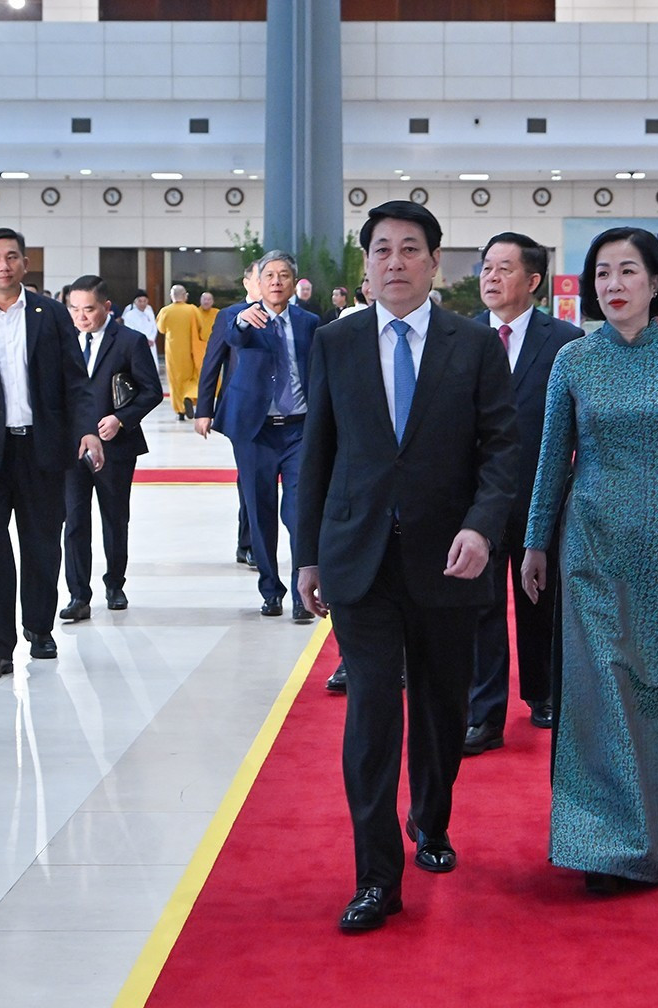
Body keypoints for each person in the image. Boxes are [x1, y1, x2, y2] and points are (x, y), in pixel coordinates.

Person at [294, 200, 519, 934]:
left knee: (442, 705)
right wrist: (307, 554)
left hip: (450, 558)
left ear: (434, 262)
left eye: (410, 249)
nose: (395, 261)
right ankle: (376, 877)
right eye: (382, 249)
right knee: (370, 711)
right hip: (358, 556)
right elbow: (318, 452)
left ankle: (432, 817)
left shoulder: (473, 344)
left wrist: (482, 528)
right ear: (367, 265)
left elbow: (502, 450)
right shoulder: (335, 341)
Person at [518, 227, 658, 892]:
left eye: (627, 271)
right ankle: (608, 841)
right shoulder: (574, 361)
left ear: (654, 282)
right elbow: (552, 459)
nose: (613, 285)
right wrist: (535, 541)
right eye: (602, 273)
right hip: (590, 543)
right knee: (602, 688)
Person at [0, 228, 103, 681]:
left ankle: (39, 629)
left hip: (42, 448)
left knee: (41, 544)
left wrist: (87, 430)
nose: (4, 265)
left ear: (25, 263)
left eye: (12, 256)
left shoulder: (50, 314)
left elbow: (76, 381)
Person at [463, 232, 581, 755]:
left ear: (533, 280)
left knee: (541, 598)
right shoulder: (462, 337)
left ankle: (544, 692)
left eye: (504, 269)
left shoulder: (565, 341)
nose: (491, 277)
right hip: (478, 500)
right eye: (486, 267)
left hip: (543, 494)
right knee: (480, 606)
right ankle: (484, 713)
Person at [220, 251, 320, 621]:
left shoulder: (309, 323)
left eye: (283, 275)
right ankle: (270, 589)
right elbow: (233, 338)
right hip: (255, 431)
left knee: (298, 512)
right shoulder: (242, 319)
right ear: (258, 284)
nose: (276, 282)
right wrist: (242, 321)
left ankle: (301, 593)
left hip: (299, 430)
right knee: (259, 512)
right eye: (270, 276)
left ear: (294, 283)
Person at [61, 275, 163, 621]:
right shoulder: (62, 340)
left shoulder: (130, 341)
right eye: (74, 309)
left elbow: (151, 391)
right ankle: (78, 594)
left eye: (88, 309)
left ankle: (115, 585)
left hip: (116, 446)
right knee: (74, 521)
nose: (81, 316)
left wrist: (121, 418)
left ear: (106, 307)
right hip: (72, 447)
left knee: (115, 519)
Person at [196, 269, 259, 571]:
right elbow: (212, 362)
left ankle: (251, 541)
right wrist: (204, 409)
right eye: (262, 277)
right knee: (250, 478)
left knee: (259, 481)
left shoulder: (289, 317)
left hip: (284, 414)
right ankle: (250, 543)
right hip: (242, 411)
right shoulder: (230, 316)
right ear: (247, 282)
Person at [157, 285, 201, 420]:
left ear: (172, 296)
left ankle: (180, 411)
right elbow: (200, 326)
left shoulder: (165, 311)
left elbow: (161, 329)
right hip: (190, 349)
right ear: (185, 295)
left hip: (173, 350)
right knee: (191, 376)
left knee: (175, 380)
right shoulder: (192, 309)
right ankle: (189, 396)